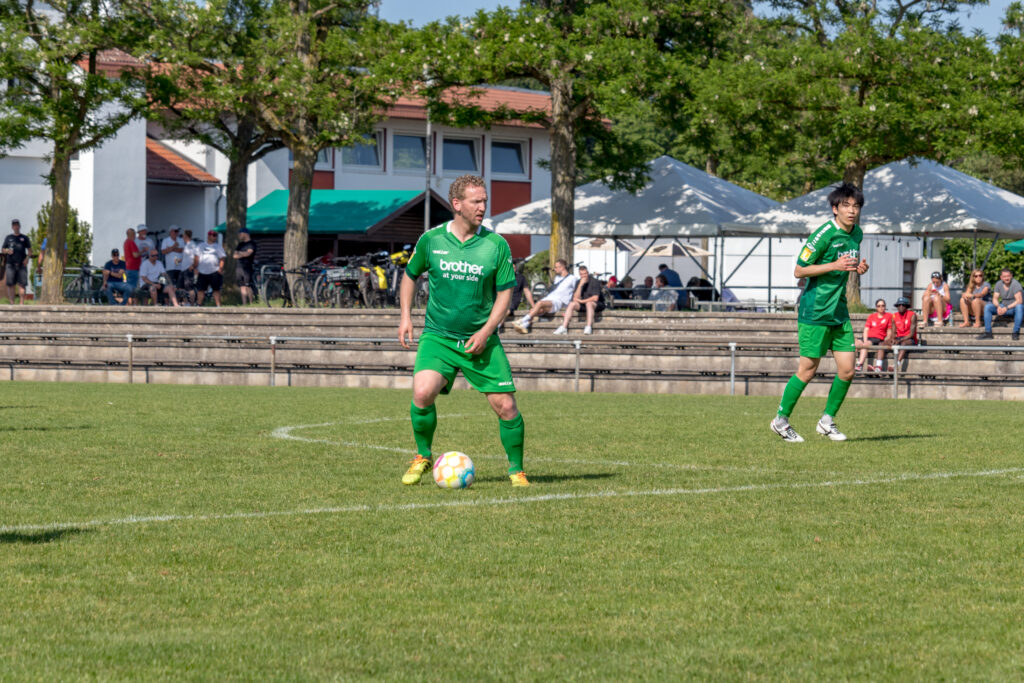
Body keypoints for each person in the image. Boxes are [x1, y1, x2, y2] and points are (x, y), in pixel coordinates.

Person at [397, 174, 528, 488]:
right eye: (476, 201)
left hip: (481, 341)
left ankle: (517, 470)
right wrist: (405, 317)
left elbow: (505, 294)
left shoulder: (496, 245)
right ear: (456, 204)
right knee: (422, 392)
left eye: (484, 201)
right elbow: (410, 275)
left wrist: (486, 332)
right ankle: (423, 455)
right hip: (438, 336)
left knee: (506, 407)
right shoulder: (432, 240)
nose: (482, 207)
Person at [770, 182, 868, 443]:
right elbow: (799, 271)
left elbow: (846, 263)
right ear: (835, 209)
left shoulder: (857, 234)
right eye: (846, 205)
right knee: (807, 369)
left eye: (856, 206)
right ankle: (780, 421)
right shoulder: (823, 234)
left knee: (848, 370)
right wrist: (834, 265)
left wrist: (857, 268)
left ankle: (826, 421)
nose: (852, 210)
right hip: (815, 310)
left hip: (839, 311)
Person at [512, 259, 577, 333]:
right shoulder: (557, 278)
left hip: (558, 301)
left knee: (540, 303)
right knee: (534, 310)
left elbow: (576, 291)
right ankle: (525, 325)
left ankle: (521, 321)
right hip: (549, 299)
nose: (554, 269)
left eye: (556, 267)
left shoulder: (572, 279)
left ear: (562, 267)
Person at [554, 265, 603, 335]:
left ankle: (588, 326)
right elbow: (575, 298)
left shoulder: (594, 281)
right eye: (581, 274)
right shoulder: (578, 282)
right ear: (579, 275)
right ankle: (564, 327)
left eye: (585, 274)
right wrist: (580, 285)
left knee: (589, 303)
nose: (584, 276)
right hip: (583, 304)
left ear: (588, 273)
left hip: (596, 304)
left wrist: (581, 301)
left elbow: (595, 298)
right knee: (571, 304)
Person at [977, 268, 1023, 341]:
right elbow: (995, 299)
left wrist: (1006, 308)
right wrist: (998, 307)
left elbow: (1019, 301)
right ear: (1001, 277)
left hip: (1013, 308)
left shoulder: (1015, 284)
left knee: (1019, 307)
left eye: (1008, 276)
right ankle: (988, 332)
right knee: (988, 307)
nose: (1006, 278)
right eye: (1004, 276)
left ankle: (1015, 332)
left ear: (1011, 276)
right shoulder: (999, 284)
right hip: (1003, 306)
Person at [855, 298, 894, 373]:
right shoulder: (872, 316)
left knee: (865, 345)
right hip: (868, 337)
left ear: (885, 306)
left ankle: (860, 365)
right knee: (855, 344)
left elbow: (889, 330)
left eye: (883, 305)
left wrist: (888, 339)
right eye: (879, 306)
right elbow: (866, 330)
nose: (881, 307)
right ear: (876, 307)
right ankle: (849, 365)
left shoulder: (888, 316)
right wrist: (865, 340)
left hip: (877, 338)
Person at [3, 218, 32, 304]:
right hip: (10, 264)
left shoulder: (24, 238)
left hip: (22, 264)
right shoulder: (8, 238)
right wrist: (7, 251)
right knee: (10, 284)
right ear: (12, 227)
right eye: (14, 225)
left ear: (19, 226)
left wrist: (27, 259)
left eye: (17, 225)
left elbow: (30, 251)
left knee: (22, 284)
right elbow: (3, 249)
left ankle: (21, 303)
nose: (16, 227)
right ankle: (12, 304)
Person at [195, 230, 226, 307]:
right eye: (213, 235)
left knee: (216, 289)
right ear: (208, 236)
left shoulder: (218, 246)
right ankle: (199, 305)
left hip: (214, 271)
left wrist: (220, 268)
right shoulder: (201, 245)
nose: (215, 237)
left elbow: (222, 258)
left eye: (216, 235)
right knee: (201, 290)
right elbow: (196, 257)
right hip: (202, 271)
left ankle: (218, 306)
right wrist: (195, 267)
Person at [232, 227, 257, 305]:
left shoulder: (252, 243)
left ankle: (251, 303)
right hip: (239, 267)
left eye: (240, 233)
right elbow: (234, 255)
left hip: (247, 267)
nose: (239, 235)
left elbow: (249, 253)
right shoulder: (240, 244)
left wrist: (240, 253)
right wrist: (243, 253)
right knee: (242, 286)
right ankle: (244, 304)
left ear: (245, 234)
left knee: (248, 285)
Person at [892, 296, 918, 367]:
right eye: (899, 305)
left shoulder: (912, 315)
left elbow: (911, 334)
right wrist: (893, 339)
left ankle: (896, 364)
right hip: (898, 338)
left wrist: (899, 340)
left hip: (910, 339)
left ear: (906, 306)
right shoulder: (894, 316)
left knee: (903, 343)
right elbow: (893, 332)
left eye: (903, 305)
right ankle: (878, 366)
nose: (901, 306)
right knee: (882, 344)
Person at [161, 225, 185, 290]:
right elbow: (163, 251)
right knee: (170, 285)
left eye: (178, 231)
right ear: (171, 232)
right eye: (176, 231)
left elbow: (182, 250)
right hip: (170, 267)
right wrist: (174, 246)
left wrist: (170, 248)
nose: (177, 233)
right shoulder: (165, 240)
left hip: (179, 267)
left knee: (179, 286)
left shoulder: (181, 240)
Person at [178, 229, 198, 304]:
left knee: (189, 287)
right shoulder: (186, 245)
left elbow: (195, 256)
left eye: (183, 235)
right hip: (183, 269)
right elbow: (187, 257)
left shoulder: (192, 245)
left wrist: (193, 266)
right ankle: (186, 302)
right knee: (180, 287)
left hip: (188, 269)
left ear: (186, 236)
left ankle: (192, 304)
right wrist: (180, 260)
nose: (182, 237)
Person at [123, 227, 141, 301]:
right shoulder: (131, 242)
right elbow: (135, 255)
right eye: (133, 234)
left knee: (130, 286)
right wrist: (143, 251)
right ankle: (127, 302)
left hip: (129, 267)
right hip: (133, 268)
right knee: (133, 287)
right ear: (130, 235)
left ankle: (128, 302)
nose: (135, 236)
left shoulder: (126, 242)